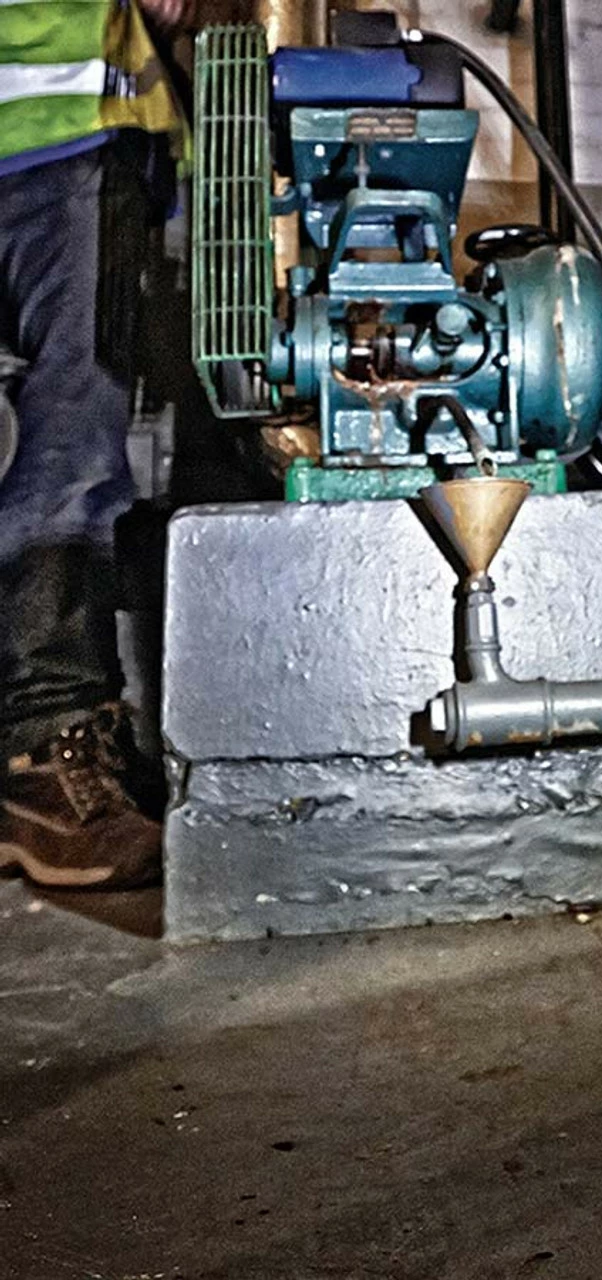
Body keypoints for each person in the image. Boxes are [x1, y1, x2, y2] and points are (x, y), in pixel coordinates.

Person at [0, 0, 191, 888]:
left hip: (62, 143)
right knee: (76, 441)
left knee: (67, 442)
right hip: (60, 143)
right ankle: (47, 750)